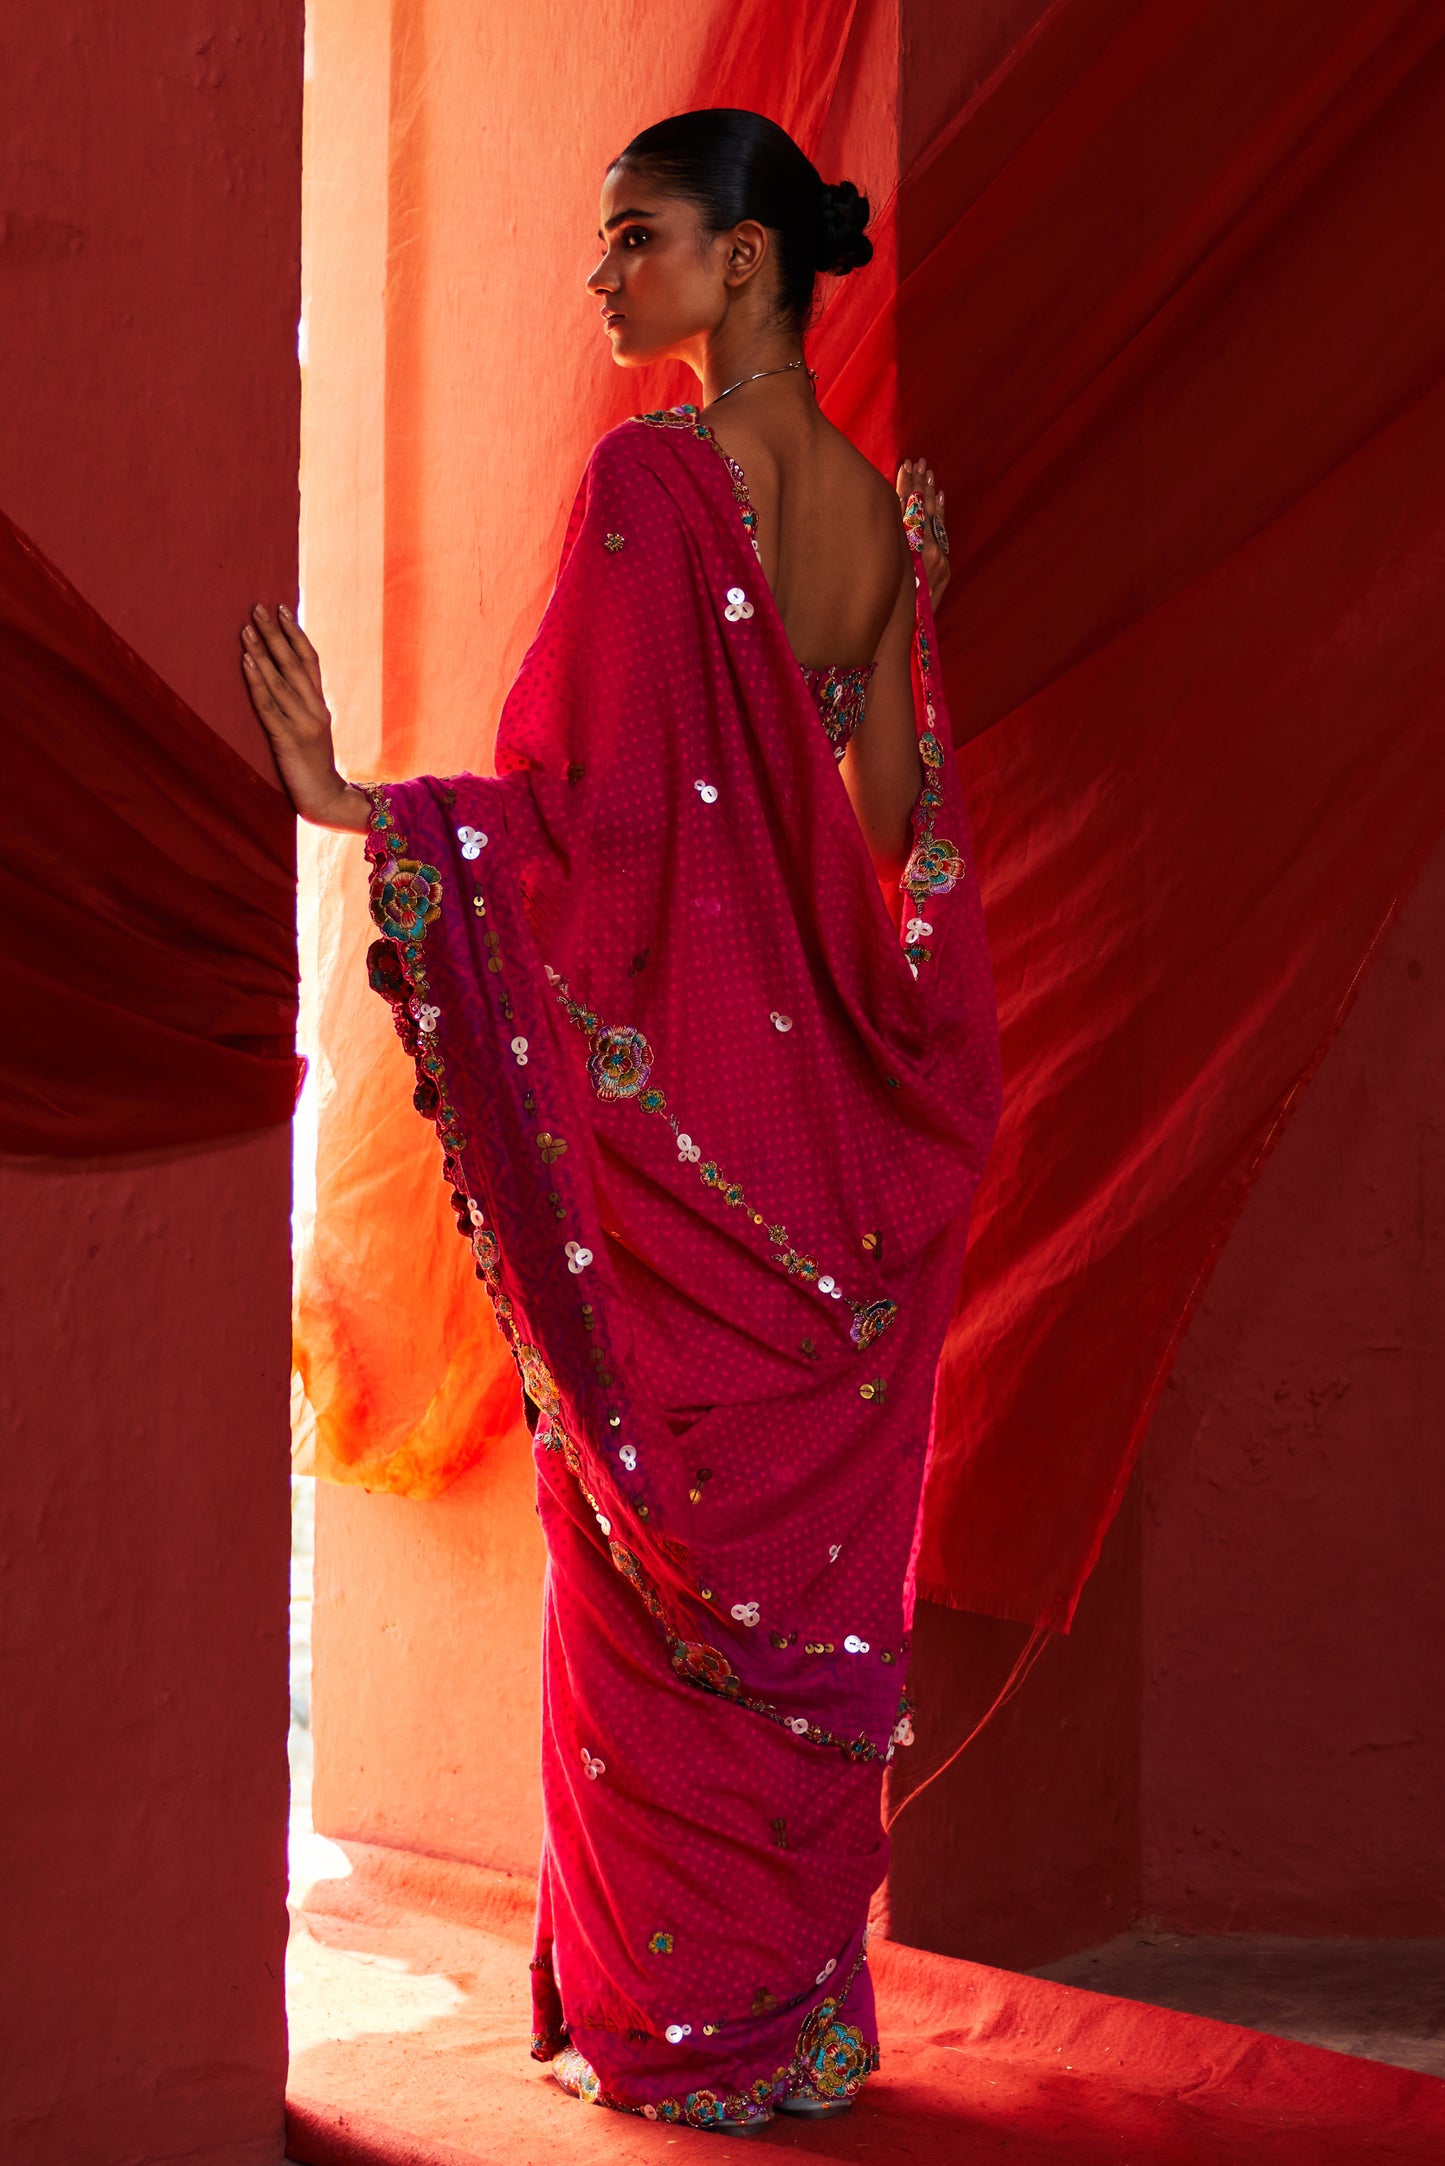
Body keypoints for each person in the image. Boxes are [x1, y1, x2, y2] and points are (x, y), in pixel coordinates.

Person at [242, 107, 1001, 2138]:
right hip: (835, 1161)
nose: (602, 281)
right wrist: (906, 617)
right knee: (797, 1597)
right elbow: (890, 862)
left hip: (694, 1163)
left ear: (744, 264)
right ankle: (804, 2021)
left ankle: (695, 2041)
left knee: (661, 1582)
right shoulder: (862, 512)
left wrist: (367, 815)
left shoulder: (653, 493)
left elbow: (579, 850)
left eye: (635, 240)